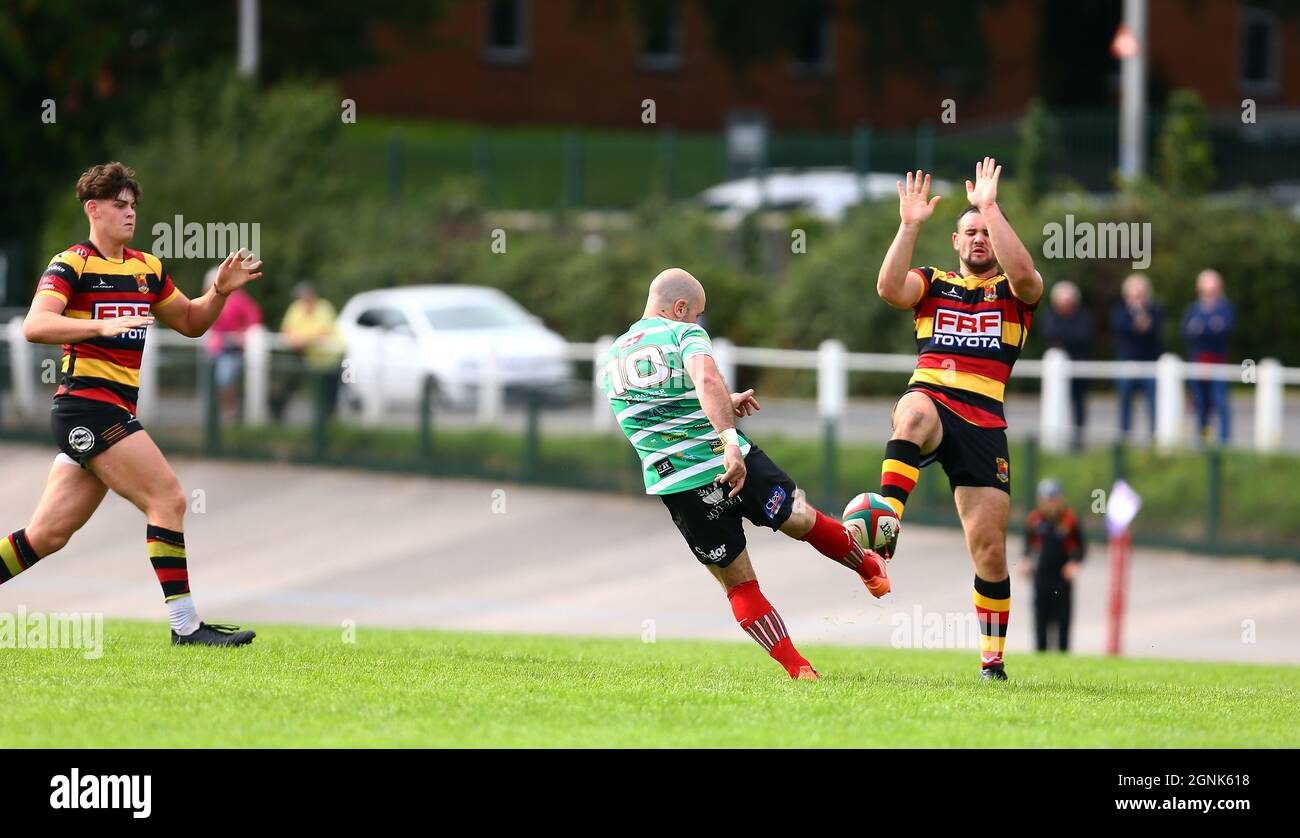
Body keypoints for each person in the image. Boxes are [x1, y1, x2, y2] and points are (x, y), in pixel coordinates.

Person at [1, 162, 259, 645]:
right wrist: (96, 325)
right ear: (92, 209)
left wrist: (219, 292)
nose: (129, 214)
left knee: (47, 535)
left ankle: (188, 628)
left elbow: (189, 321)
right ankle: (187, 628)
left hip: (113, 411)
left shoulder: (145, 268)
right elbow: (35, 325)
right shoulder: (71, 264)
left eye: (133, 206)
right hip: (87, 409)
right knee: (169, 499)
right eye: (120, 205)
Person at [603, 268, 888, 680]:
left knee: (739, 585)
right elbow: (704, 378)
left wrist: (720, 402)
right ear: (680, 308)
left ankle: (799, 669)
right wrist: (729, 441)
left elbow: (655, 412)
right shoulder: (684, 335)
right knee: (800, 518)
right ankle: (868, 568)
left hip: (680, 486)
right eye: (697, 314)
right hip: (731, 459)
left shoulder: (611, 356)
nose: (698, 322)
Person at [872, 159, 1043, 681]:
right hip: (933, 400)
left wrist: (990, 207)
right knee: (917, 407)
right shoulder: (932, 281)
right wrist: (908, 225)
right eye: (969, 231)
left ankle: (992, 661)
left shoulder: (1014, 294)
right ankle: (887, 516)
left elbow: (1029, 277)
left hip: (984, 424)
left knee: (990, 550)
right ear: (954, 239)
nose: (978, 239)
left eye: (986, 232)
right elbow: (888, 289)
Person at [1020, 478, 1085, 653]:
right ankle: (1040, 656)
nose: (1051, 503)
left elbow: (1080, 547)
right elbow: (1028, 546)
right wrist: (1025, 561)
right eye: (1047, 499)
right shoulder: (1034, 520)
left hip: (1062, 579)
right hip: (1041, 577)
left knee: (1063, 620)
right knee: (1041, 619)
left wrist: (1074, 563)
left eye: (1054, 498)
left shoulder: (1070, 519)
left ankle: (1063, 657)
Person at [269, 282, 345, 421]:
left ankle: (329, 422)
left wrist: (302, 340)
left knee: (330, 393)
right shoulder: (296, 308)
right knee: (290, 382)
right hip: (307, 357)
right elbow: (287, 328)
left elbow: (323, 331)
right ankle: (276, 413)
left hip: (329, 360)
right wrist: (297, 339)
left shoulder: (324, 307)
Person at [203, 265, 263, 424]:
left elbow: (254, 318)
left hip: (231, 350)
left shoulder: (237, 299)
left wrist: (241, 336)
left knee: (225, 378)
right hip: (214, 350)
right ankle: (218, 416)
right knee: (211, 381)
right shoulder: (208, 299)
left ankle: (229, 414)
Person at [1181, 269, 1234, 444]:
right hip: (1199, 362)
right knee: (1200, 403)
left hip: (1219, 361)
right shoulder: (1193, 309)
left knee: (1220, 401)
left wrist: (1201, 328)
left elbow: (1224, 329)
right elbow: (1187, 332)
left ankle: (1224, 442)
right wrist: (1210, 326)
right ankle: (1202, 440)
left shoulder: (1225, 308)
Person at [1038, 280, 1092, 450]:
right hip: (1056, 368)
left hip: (1079, 367)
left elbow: (1082, 336)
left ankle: (1078, 439)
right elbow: (1048, 334)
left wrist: (1063, 337)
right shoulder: (1050, 316)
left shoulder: (1083, 316)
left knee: (1079, 403)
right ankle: (1055, 441)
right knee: (1054, 402)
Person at [1110, 273, 1163, 439]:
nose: (1138, 298)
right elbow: (1123, 329)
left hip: (1150, 363)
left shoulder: (1155, 310)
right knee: (1125, 401)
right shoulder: (1119, 311)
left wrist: (1141, 316)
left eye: (1141, 294)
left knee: (1153, 403)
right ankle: (1124, 437)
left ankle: (1155, 437)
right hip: (1127, 361)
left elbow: (1153, 330)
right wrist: (1137, 321)